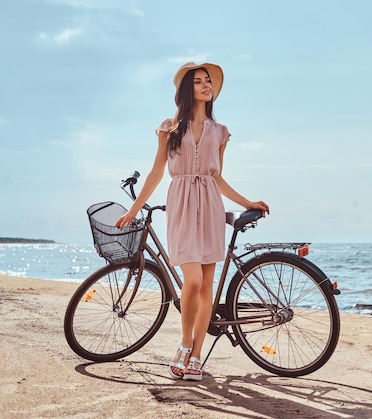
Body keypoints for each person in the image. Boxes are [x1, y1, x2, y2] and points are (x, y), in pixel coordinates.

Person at [115, 62, 269, 381]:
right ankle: (185, 344)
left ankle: (196, 357)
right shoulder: (169, 128)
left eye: (208, 81)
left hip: (211, 203)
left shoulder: (220, 132)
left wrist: (246, 202)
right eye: (198, 81)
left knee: (207, 286)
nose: (205, 85)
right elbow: (157, 172)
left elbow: (219, 178)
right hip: (182, 203)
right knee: (193, 280)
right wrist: (133, 211)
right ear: (187, 89)